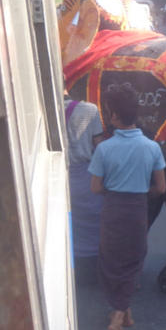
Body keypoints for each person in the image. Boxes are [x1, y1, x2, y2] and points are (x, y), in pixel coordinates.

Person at [89, 83, 166, 330]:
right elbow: (161, 187)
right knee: (133, 258)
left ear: (113, 116)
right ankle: (121, 314)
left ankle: (119, 311)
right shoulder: (152, 148)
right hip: (137, 209)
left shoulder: (104, 149)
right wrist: (142, 192)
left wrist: (115, 190)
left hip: (112, 208)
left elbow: (96, 187)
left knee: (111, 259)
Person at [64, 90, 105, 283]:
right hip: (86, 174)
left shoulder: (43, 112)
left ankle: (74, 270)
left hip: (62, 175)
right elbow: (99, 145)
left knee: (72, 225)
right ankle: (94, 270)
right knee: (93, 224)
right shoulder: (90, 109)